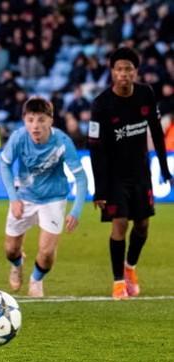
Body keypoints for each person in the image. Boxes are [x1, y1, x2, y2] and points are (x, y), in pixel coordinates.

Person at [88, 47, 173, 300]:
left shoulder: (146, 94)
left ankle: (130, 268)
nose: (124, 74)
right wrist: (100, 189)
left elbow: (156, 131)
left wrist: (164, 168)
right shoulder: (101, 104)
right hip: (114, 176)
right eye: (119, 69)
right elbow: (95, 148)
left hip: (140, 172)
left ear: (135, 71)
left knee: (143, 226)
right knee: (120, 223)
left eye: (128, 69)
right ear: (112, 72)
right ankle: (118, 283)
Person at [1, 97, 88, 297]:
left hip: (53, 199)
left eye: (41, 120)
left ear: (51, 120)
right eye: (30, 120)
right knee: (10, 250)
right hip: (24, 197)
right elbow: (4, 164)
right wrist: (13, 198)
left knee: (47, 252)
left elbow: (81, 178)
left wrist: (76, 211)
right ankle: (17, 264)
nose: (35, 126)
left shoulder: (62, 142)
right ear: (24, 120)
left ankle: (36, 279)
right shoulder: (18, 137)